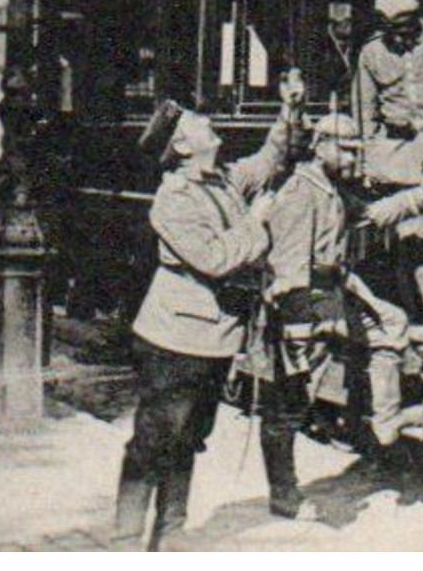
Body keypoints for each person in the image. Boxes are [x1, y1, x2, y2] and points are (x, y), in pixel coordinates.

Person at [112, 86, 298, 550]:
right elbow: (214, 259)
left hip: (214, 340)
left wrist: (289, 108)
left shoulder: (222, 180)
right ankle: (124, 540)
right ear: (182, 145)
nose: (208, 120)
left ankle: (170, 535)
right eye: (197, 121)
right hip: (174, 340)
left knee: (189, 438)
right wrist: (257, 224)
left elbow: (269, 158)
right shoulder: (173, 199)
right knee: (154, 440)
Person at [258, 113, 423, 515]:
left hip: (336, 287)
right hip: (307, 299)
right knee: (291, 401)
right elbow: (288, 265)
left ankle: (384, 428)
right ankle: (284, 493)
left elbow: (370, 214)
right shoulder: (302, 191)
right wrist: (298, 327)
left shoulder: (330, 187)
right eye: (345, 149)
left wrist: (421, 194)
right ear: (319, 146)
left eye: (356, 150)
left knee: (390, 325)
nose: (353, 159)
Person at [354, 0, 423, 339]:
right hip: (397, 154)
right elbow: (365, 112)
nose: (401, 37)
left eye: (406, 28)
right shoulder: (372, 53)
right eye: (392, 30)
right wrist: (369, 161)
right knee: (412, 233)